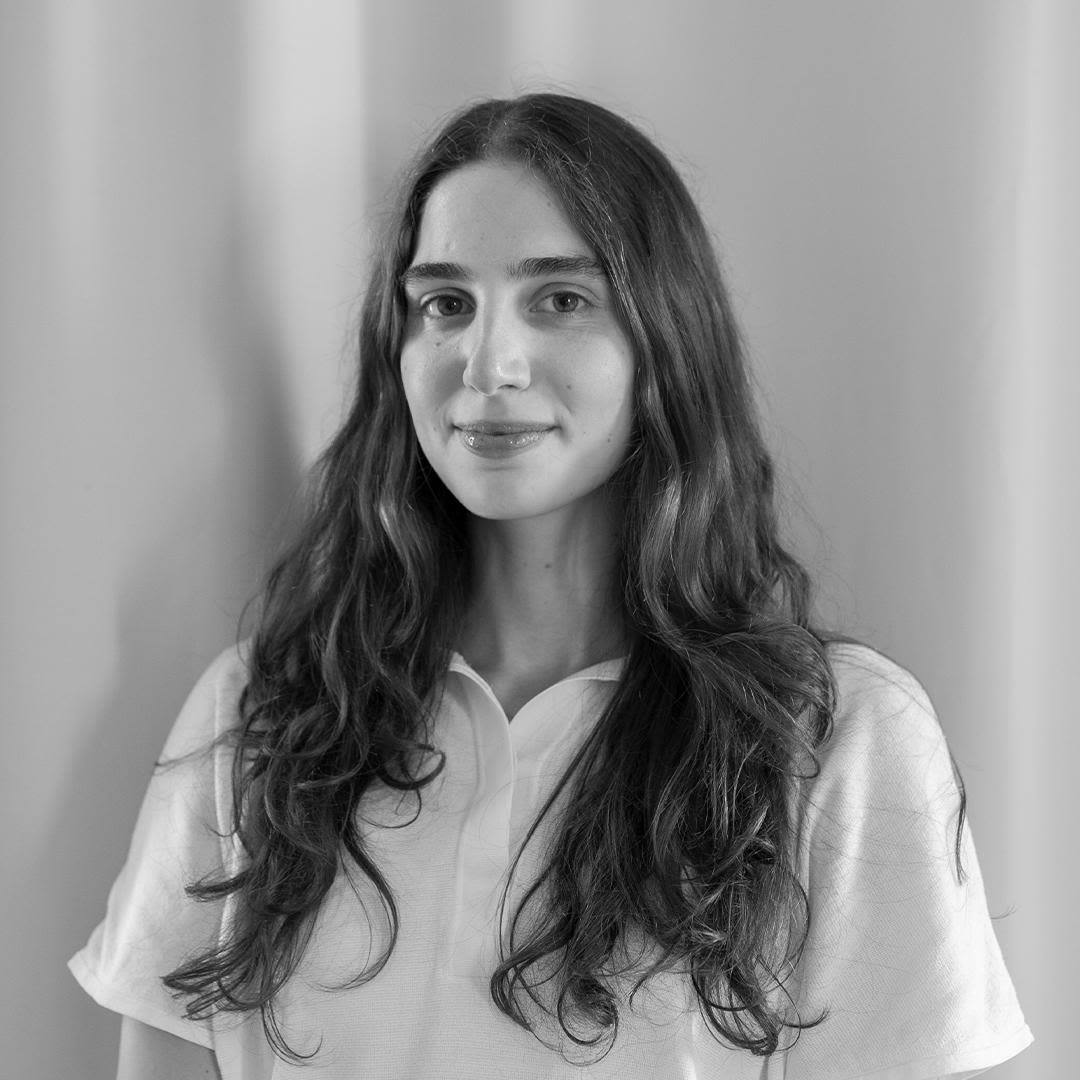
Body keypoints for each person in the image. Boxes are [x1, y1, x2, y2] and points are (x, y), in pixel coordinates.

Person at [70, 93, 1031, 1080]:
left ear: (664, 341)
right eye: (445, 304)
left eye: (561, 299)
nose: (488, 364)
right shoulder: (261, 711)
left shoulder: (837, 739)